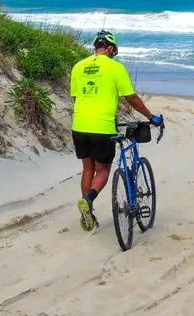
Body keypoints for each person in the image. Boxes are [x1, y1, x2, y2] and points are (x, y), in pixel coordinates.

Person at [70, 29, 163, 232]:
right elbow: (131, 98)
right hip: (102, 127)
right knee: (102, 170)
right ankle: (88, 199)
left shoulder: (78, 67)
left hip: (78, 126)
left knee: (87, 169)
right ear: (110, 49)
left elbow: (76, 98)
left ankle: (88, 212)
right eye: (114, 52)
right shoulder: (115, 68)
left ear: (96, 47)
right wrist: (151, 117)